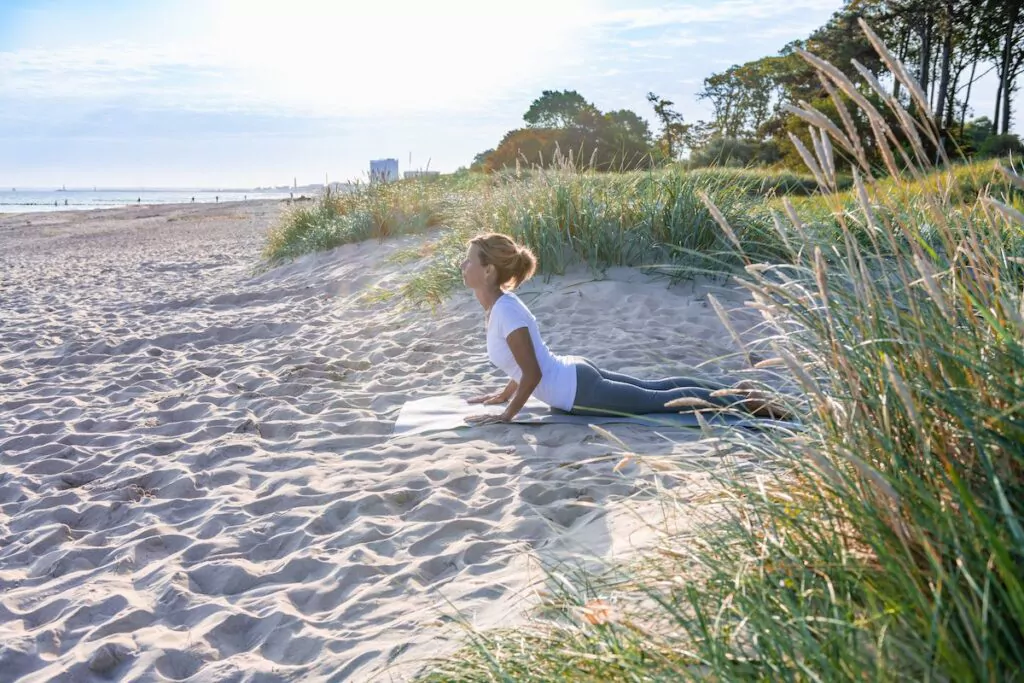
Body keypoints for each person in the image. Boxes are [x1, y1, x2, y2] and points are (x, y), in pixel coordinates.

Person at [460, 233, 790, 425]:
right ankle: (737, 390)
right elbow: (522, 364)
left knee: (659, 400)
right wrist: (502, 394)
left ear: (488, 271)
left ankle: (743, 402)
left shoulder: (505, 310)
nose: (463, 266)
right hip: (575, 375)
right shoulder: (501, 307)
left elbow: (531, 374)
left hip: (577, 393)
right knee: (657, 387)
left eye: (469, 260)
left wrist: (507, 414)